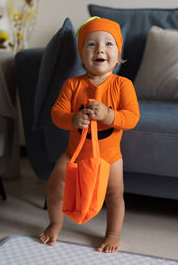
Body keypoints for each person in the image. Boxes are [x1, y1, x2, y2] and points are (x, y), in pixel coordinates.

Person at [40, 17, 140, 253]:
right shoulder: (72, 85)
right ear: (82, 55)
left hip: (110, 157)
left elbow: (132, 117)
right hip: (74, 153)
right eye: (91, 44)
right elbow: (57, 113)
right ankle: (55, 223)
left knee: (115, 194)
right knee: (55, 186)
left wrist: (109, 116)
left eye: (108, 44)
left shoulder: (122, 85)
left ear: (117, 55)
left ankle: (113, 233)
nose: (100, 49)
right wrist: (72, 118)